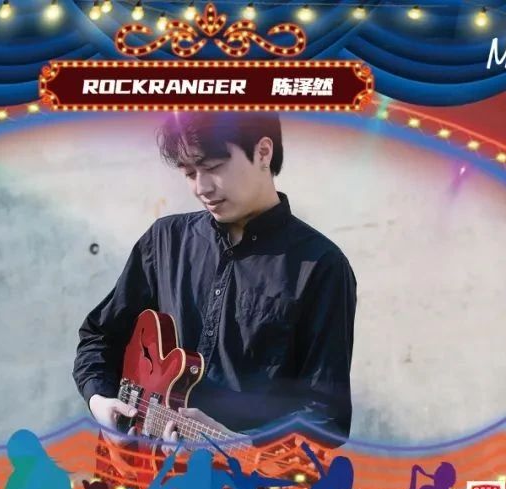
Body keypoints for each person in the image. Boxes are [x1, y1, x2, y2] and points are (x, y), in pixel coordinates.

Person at [72, 112, 357, 447]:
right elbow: (99, 337)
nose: (201, 188)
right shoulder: (164, 241)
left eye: (214, 167)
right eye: (189, 173)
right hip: (145, 470)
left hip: (247, 479)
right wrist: (100, 403)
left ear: (263, 152)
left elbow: (326, 419)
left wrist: (237, 444)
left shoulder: (322, 266)